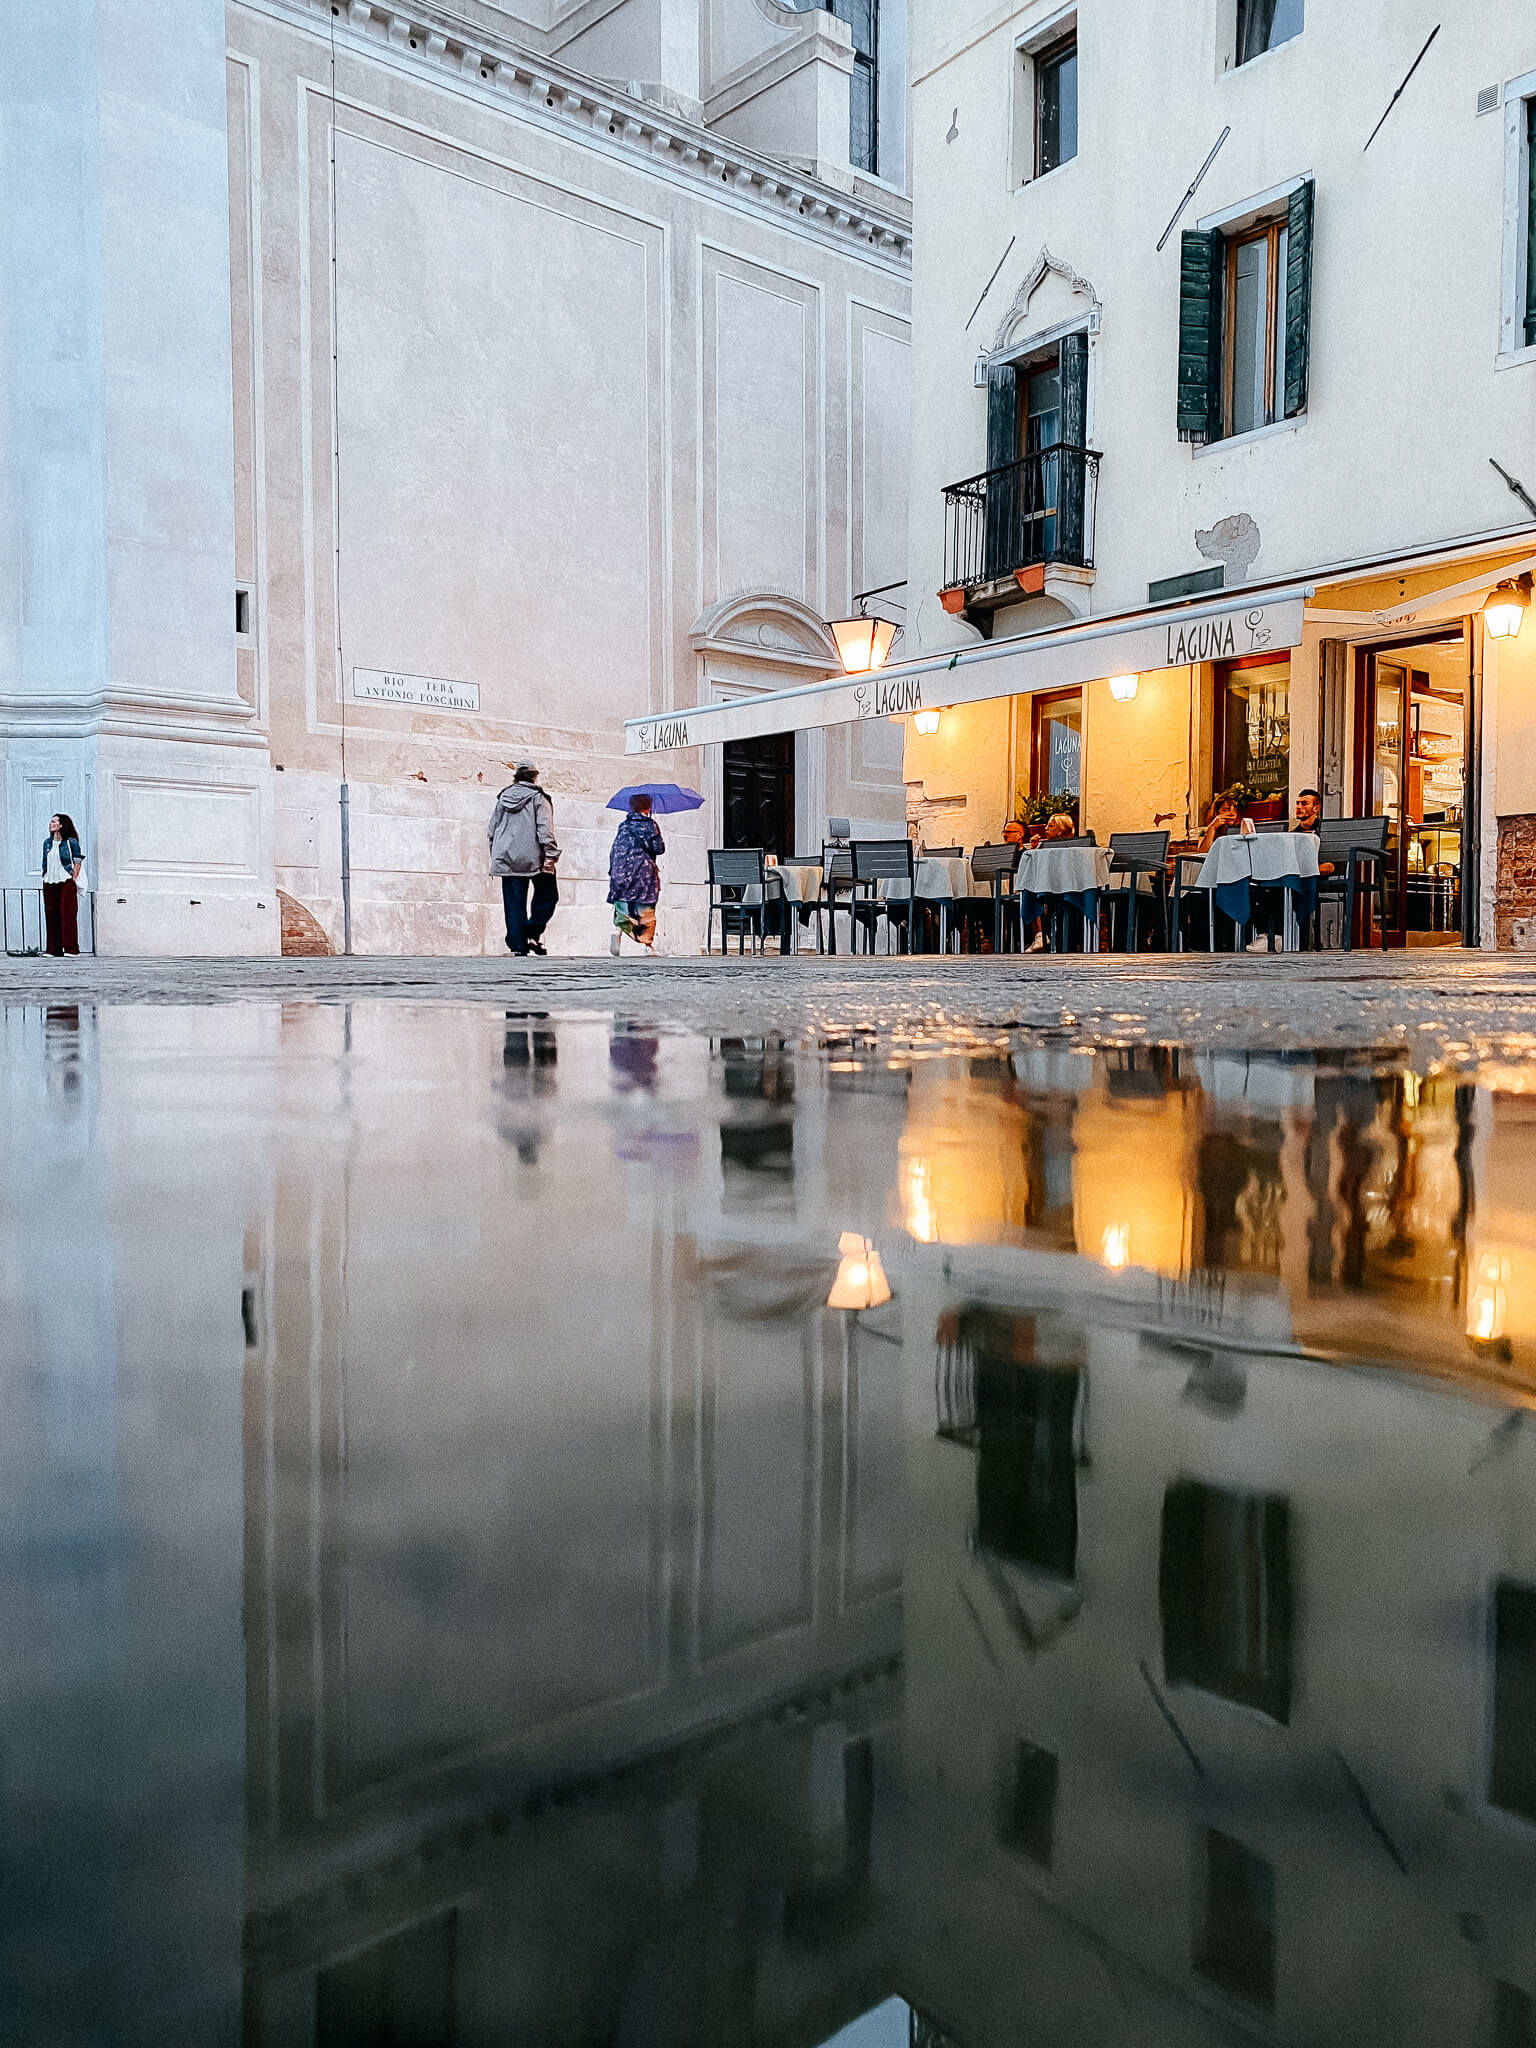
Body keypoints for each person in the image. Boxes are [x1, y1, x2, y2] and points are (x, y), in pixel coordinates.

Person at [488, 763, 560, 957]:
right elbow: (545, 831)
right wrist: (551, 857)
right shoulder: (538, 798)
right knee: (548, 895)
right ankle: (532, 931)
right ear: (534, 777)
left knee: (513, 902)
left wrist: (496, 855)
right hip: (534, 857)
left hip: (505, 856)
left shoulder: (502, 798)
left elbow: (492, 830)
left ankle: (518, 944)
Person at [607, 793, 666, 953]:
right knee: (645, 910)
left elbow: (614, 850)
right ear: (647, 807)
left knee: (623, 905)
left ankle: (618, 929)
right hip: (643, 873)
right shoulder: (649, 825)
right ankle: (647, 945)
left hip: (620, 872)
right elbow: (659, 849)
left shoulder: (623, 825)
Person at [41, 812, 85, 957]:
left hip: (66, 880)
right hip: (49, 881)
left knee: (68, 915)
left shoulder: (70, 841)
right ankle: (53, 949)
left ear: (61, 825)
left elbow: (77, 860)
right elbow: (45, 861)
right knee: (51, 915)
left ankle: (71, 949)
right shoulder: (47, 843)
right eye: (51, 821)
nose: (51, 824)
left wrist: (73, 878)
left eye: (54, 822)